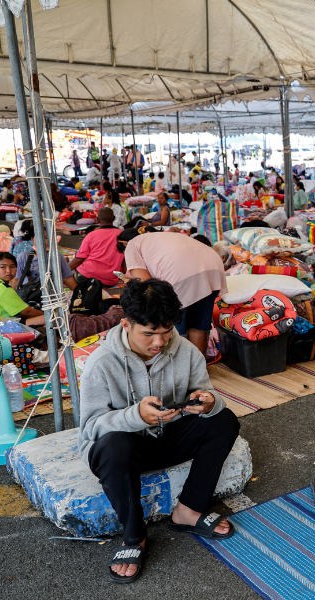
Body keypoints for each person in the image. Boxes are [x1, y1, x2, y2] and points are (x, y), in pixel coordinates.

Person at [78, 278, 239, 583]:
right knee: (115, 446)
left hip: (168, 438)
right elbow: (90, 428)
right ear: (126, 324)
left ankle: (188, 511)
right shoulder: (101, 363)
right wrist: (135, 416)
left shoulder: (186, 350)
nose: (159, 343)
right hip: (125, 452)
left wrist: (208, 402)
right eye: (149, 334)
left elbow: (204, 390)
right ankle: (134, 536)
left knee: (224, 420)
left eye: (166, 333)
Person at [122, 230, 227, 355]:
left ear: (123, 244)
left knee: (176, 328)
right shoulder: (162, 236)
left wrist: (131, 282)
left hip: (180, 274)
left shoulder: (132, 245)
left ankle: (180, 367)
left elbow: (146, 284)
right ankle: (198, 367)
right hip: (213, 266)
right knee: (198, 326)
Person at [0, 252, 45, 326]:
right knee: (50, 319)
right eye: (3, 267)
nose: (9, 271)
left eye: (12, 267)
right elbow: (26, 312)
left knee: (34, 307)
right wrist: (45, 316)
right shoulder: (2, 289)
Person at [69, 208, 124, 286]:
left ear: (97, 219)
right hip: (109, 280)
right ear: (114, 218)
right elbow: (125, 259)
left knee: (65, 274)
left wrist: (66, 269)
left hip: (87, 276)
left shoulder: (91, 235)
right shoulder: (122, 235)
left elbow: (80, 258)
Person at [15, 235, 79, 292]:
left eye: (45, 237)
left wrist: (79, 295)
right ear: (32, 239)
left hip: (51, 296)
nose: (41, 240)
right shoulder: (24, 256)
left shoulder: (57, 256)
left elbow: (67, 277)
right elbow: (17, 280)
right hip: (29, 294)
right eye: (38, 237)